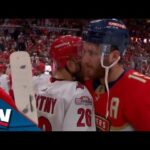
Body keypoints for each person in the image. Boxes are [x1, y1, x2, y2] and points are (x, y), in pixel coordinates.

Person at [81, 18, 150, 131]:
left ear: (114, 56)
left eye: (92, 53)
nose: (85, 60)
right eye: (85, 51)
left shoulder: (142, 90)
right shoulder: (86, 83)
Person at [34, 35, 96, 131]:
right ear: (70, 65)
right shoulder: (79, 94)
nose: (84, 63)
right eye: (79, 60)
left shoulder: (38, 82)